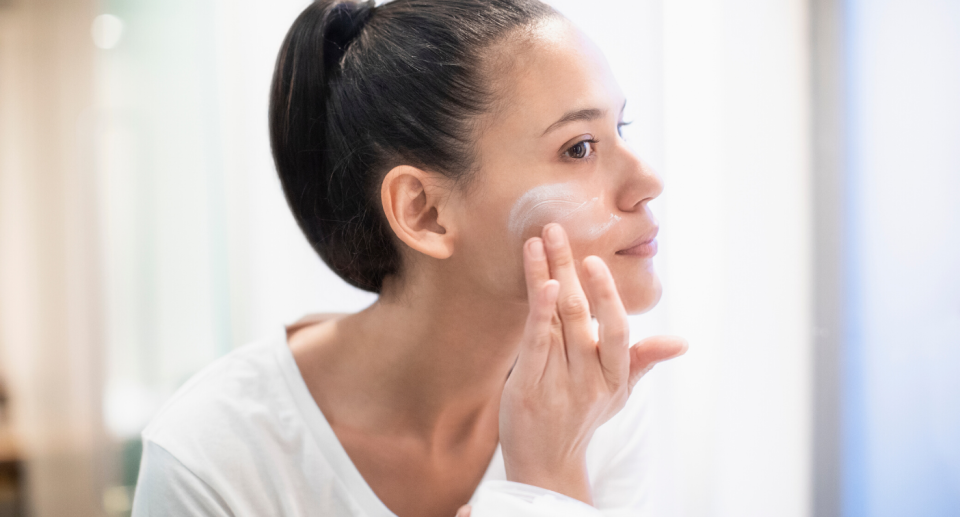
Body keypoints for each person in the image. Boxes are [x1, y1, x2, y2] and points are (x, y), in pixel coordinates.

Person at [131, 0, 687, 515]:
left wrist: (556, 464)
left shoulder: (592, 402)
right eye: (579, 147)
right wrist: (545, 480)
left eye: (621, 128)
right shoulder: (210, 458)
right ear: (424, 213)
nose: (649, 181)